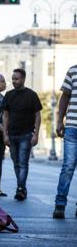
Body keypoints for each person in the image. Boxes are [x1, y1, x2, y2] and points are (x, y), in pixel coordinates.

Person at [2, 68, 42, 201]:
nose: (14, 81)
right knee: (16, 163)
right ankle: (22, 187)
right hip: (12, 135)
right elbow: (5, 115)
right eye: (13, 79)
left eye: (17, 78)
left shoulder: (32, 95)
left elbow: (37, 115)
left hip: (26, 134)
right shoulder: (9, 95)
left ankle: (20, 188)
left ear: (23, 79)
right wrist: (5, 135)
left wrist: (36, 134)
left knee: (23, 163)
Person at [53, 65, 77, 219]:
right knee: (68, 166)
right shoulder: (73, 70)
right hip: (72, 127)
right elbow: (65, 96)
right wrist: (59, 121)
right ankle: (60, 204)